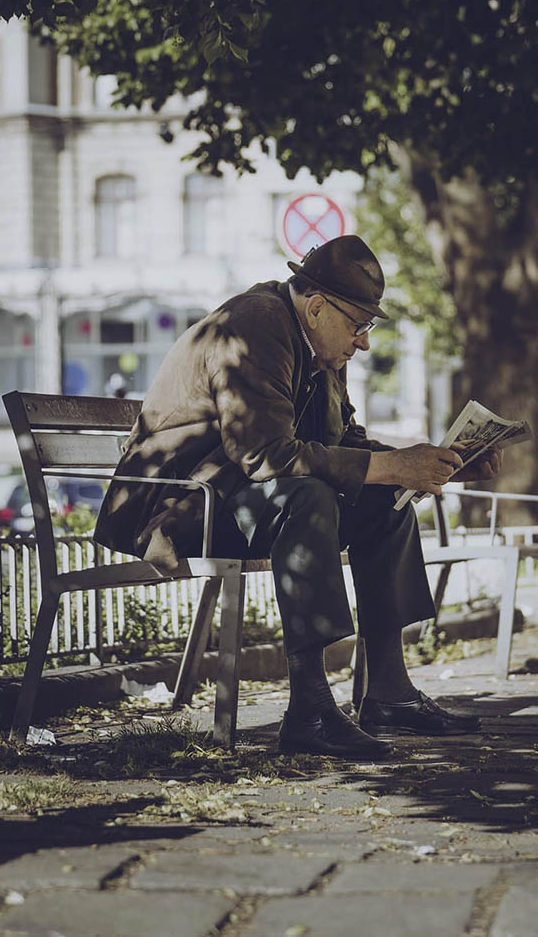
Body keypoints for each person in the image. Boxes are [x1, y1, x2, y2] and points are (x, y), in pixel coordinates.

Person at [94, 235, 502, 760]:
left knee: (385, 501)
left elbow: (344, 445)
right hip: (180, 505)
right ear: (316, 306)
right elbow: (265, 454)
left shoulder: (320, 344)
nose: (364, 343)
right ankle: (309, 710)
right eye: (360, 326)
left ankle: (389, 693)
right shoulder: (255, 324)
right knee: (307, 498)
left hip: (235, 495)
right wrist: (390, 465)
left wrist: (438, 466)